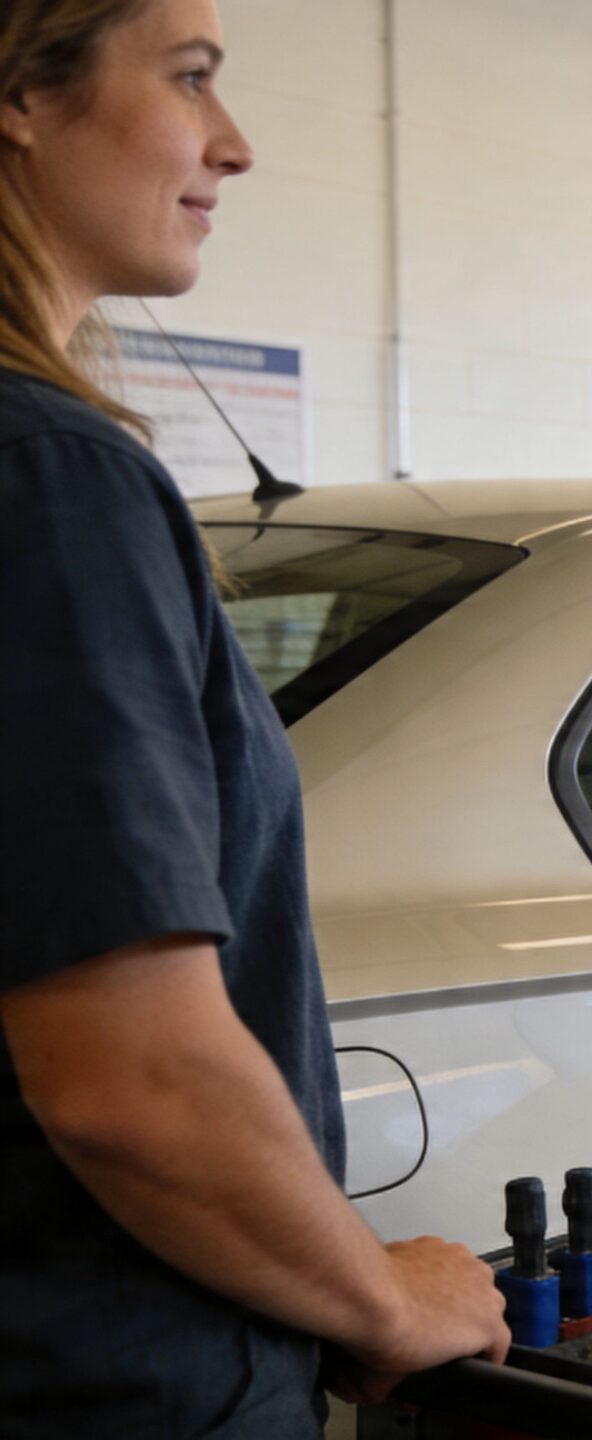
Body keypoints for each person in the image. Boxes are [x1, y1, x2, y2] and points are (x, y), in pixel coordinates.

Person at [0, 2, 509, 1432]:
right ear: (22, 100)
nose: (232, 144)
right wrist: (378, 1297)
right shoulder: (50, 478)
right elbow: (134, 1075)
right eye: (190, 79)